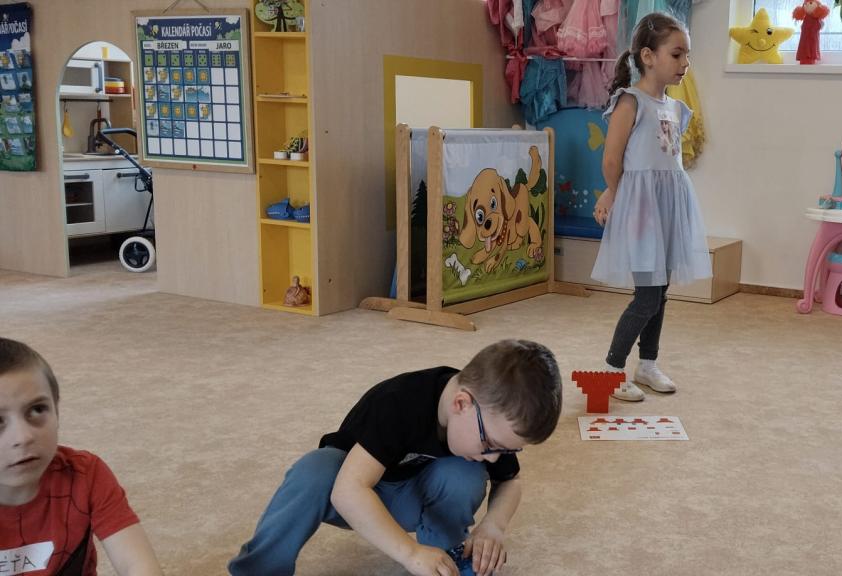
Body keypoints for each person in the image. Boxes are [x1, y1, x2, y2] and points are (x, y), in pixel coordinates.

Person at [229, 340, 563, 575]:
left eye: (508, 450)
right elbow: (348, 491)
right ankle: (259, 570)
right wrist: (409, 552)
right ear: (461, 404)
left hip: (411, 497)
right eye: (491, 445)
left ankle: (442, 562)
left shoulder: (487, 421)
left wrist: (493, 525)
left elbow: (510, 481)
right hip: (350, 492)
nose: (494, 458)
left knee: (466, 473)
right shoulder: (399, 401)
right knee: (313, 470)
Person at [592, 12, 711, 402]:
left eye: (687, 55)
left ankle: (647, 364)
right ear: (648, 56)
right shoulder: (631, 102)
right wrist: (614, 193)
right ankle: (612, 370)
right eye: (676, 54)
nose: (685, 63)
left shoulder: (674, 108)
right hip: (642, 212)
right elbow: (612, 160)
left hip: (670, 209)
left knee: (660, 293)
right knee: (646, 296)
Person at [0, 337, 164, 575]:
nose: (23, 437)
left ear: (57, 410)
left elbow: (137, 565)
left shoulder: (86, 475)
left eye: (37, 409)